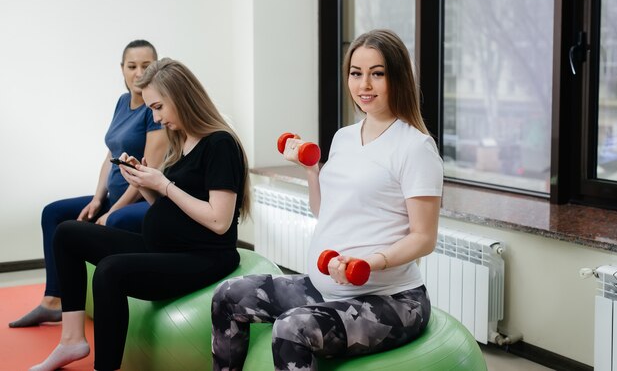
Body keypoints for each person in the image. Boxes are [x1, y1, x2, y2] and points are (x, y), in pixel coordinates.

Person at [211, 29, 443, 370]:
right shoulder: (345, 137)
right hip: (327, 287)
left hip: (391, 300)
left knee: (291, 329)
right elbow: (325, 211)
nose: (364, 85)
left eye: (377, 74)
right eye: (356, 73)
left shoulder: (416, 148)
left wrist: (368, 264)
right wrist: (312, 170)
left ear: (398, 77)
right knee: (227, 296)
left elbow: (424, 238)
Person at [28, 58, 251, 371]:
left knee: (110, 271)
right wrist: (144, 183)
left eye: (158, 107)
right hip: (167, 246)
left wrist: (164, 183)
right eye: (152, 110)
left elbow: (219, 220)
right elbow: (170, 207)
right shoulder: (183, 141)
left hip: (204, 256)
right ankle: (71, 340)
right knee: (66, 232)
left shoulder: (220, 144)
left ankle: (106, 367)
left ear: (181, 98)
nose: (156, 119)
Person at [9, 40, 168, 328]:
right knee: (54, 213)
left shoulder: (154, 110)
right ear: (122, 69)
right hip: (115, 196)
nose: (138, 72)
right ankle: (53, 301)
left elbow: (147, 171)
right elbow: (111, 153)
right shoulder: (122, 102)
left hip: (143, 200)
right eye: (132, 66)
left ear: (157, 67)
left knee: (116, 219)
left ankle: (114, 304)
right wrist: (97, 199)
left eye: (146, 65)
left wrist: (111, 212)